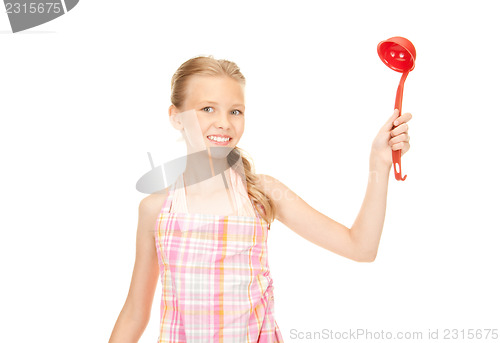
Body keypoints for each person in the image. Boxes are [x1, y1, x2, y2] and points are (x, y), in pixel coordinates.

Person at [108, 55, 412, 343]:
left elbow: (361, 247)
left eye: (235, 111)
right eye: (207, 109)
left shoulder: (262, 194)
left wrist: (379, 163)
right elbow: (135, 312)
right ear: (176, 117)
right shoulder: (156, 210)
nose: (224, 123)